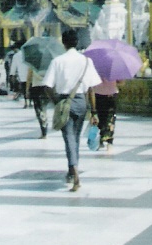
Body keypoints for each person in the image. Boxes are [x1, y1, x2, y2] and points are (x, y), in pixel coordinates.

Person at [42, 28, 103, 191]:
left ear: (63, 43)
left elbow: (47, 86)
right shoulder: (86, 61)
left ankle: (75, 174)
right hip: (81, 102)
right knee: (75, 137)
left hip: (64, 101)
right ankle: (72, 169)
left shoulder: (58, 61)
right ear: (77, 42)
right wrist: (94, 111)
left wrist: (57, 101)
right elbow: (91, 89)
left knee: (69, 137)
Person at [90, 77, 119, 152]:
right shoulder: (114, 70)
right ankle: (109, 142)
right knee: (111, 119)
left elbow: (91, 84)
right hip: (112, 94)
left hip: (98, 94)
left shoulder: (96, 70)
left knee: (100, 118)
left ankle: (100, 140)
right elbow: (121, 82)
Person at [25, 68, 49, 138]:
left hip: (36, 88)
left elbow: (29, 78)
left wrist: (27, 90)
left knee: (38, 108)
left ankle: (43, 132)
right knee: (44, 107)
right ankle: (44, 118)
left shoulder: (32, 65)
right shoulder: (49, 65)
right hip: (46, 88)